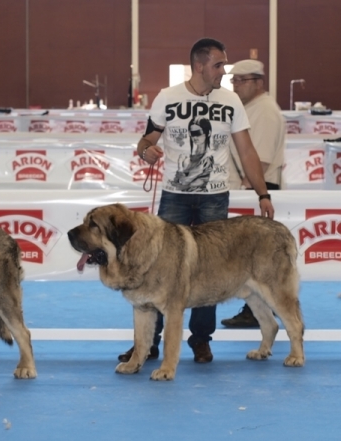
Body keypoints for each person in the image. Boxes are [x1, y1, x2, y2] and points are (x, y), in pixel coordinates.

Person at [118, 38, 274, 365]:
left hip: (214, 197)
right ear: (200, 65)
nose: (224, 71)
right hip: (175, 196)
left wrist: (263, 194)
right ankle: (148, 343)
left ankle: (201, 340)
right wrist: (146, 150)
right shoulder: (167, 97)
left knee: (209, 270)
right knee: (156, 270)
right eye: (219, 65)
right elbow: (146, 139)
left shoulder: (229, 101)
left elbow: (246, 151)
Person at [220, 59, 286, 328]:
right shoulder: (249, 108)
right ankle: (259, 308)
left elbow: (262, 160)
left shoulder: (266, 111)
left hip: (257, 189)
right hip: (249, 189)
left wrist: (252, 192)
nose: (236, 86)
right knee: (252, 255)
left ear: (259, 82)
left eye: (242, 81)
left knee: (258, 256)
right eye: (234, 81)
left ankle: (269, 306)